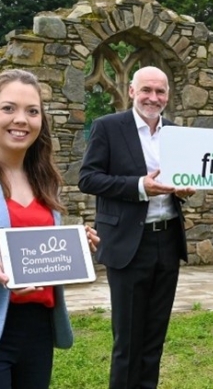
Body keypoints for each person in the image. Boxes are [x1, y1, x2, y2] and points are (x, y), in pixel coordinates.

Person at [78, 65, 195, 389]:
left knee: (154, 337)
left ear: (168, 95)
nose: (153, 97)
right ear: (132, 91)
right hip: (129, 244)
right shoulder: (107, 127)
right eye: (146, 90)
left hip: (168, 241)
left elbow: (179, 179)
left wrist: (183, 189)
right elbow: (88, 178)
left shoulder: (176, 133)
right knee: (127, 340)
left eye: (160, 91)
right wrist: (139, 186)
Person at [0, 69, 99, 389]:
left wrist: (73, 246)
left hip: (38, 328)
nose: (21, 120)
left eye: (32, 111)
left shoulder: (44, 179)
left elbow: (38, 246)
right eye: (8, 108)